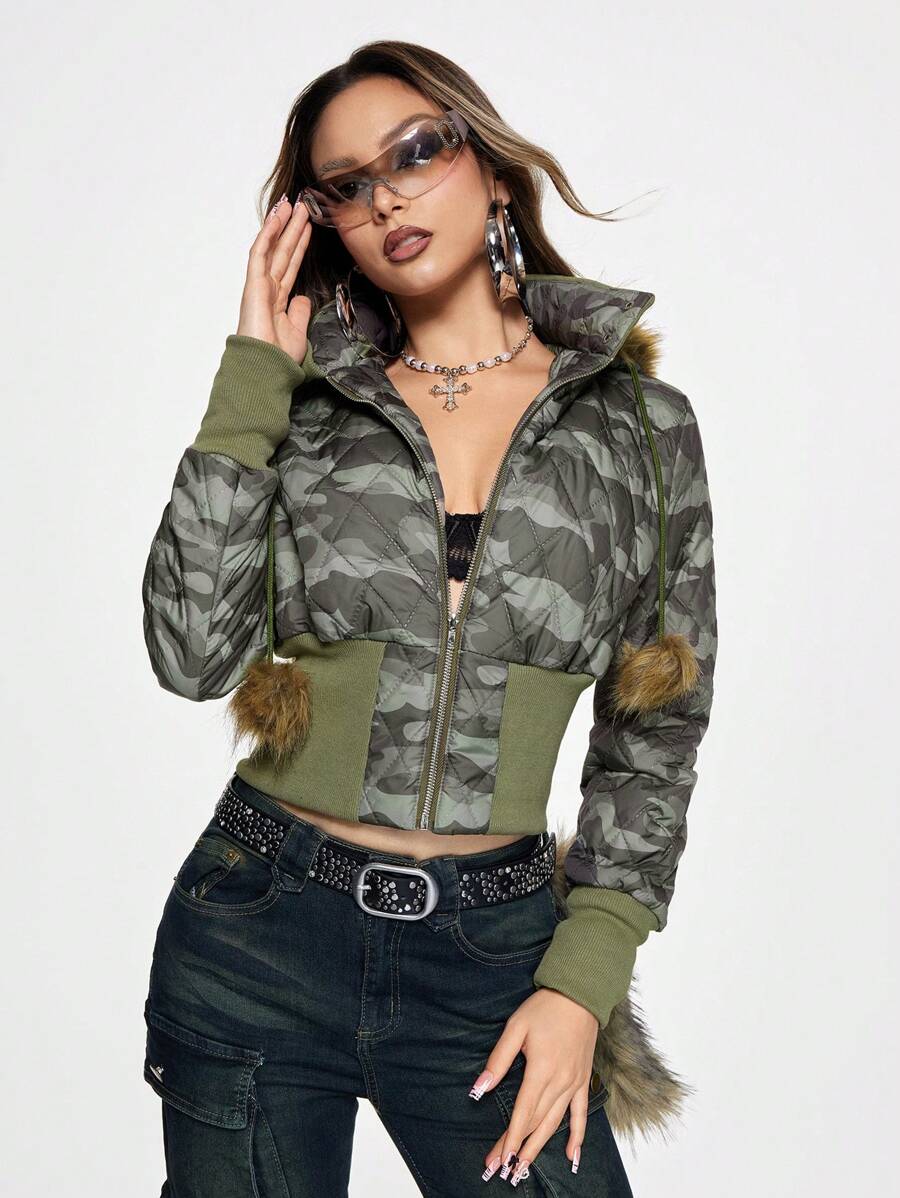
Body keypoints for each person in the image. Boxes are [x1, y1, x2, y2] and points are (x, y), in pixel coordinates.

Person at [141, 39, 717, 1197]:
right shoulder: (306, 409)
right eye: (346, 185)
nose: (386, 199)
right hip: (257, 929)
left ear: (491, 168)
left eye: (414, 153)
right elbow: (192, 654)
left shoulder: (639, 430)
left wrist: (582, 982)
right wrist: (253, 377)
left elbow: (655, 733)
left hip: (492, 955)